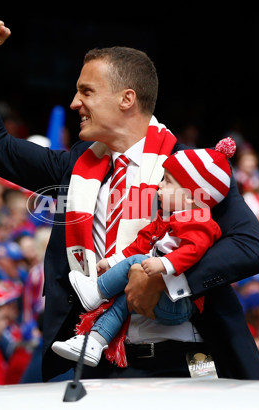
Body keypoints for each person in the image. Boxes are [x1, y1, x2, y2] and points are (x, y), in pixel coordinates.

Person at [0, 15, 259, 381]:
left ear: (126, 99)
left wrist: (163, 278)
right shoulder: (73, 166)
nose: (74, 103)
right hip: (99, 366)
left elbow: (248, 247)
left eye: (86, 91)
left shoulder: (190, 170)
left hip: (185, 364)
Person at [52, 139, 233, 367]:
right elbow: (142, 242)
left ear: (190, 196)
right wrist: (114, 262)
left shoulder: (201, 221)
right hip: (157, 296)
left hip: (179, 305)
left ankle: (96, 291)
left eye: (167, 181)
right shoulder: (166, 217)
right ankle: (94, 342)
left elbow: (193, 250)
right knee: (125, 298)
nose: (159, 185)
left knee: (139, 263)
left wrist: (164, 264)